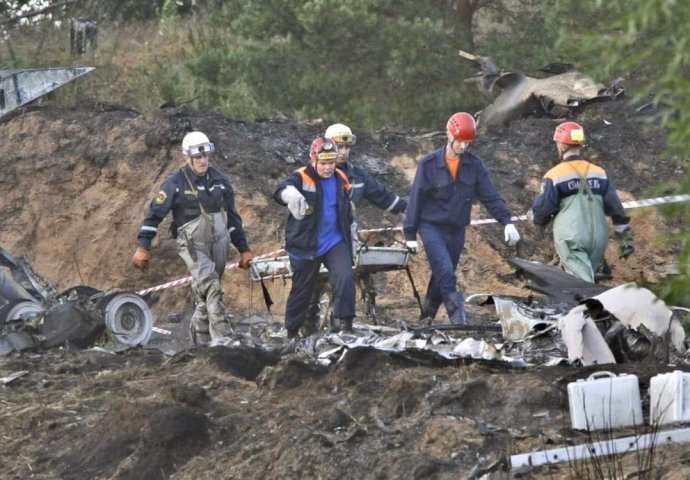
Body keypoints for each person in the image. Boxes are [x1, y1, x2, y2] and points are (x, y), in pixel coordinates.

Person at [132, 131, 253, 343]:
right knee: (212, 285)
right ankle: (224, 341)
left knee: (206, 293)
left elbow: (233, 219)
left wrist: (243, 249)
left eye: (205, 155)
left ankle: (200, 344)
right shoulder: (175, 183)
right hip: (191, 244)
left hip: (220, 243)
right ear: (187, 157)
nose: (203, 160)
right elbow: (154, 216)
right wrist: (143, 247)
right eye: (198, 157)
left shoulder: (221, 181)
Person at [403, 112, 521, 325]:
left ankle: (426, 318)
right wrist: (410, 233)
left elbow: (490, 196)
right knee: (446, 272)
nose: (463, 147)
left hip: (456, 229)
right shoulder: (429, 164)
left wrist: (507, 222)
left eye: (467, 143)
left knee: (442, 274)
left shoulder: (475, 165)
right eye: (459, 141)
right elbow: (416, 199)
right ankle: (459, 322)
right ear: (449, 134)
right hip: (431, 227)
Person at [302, 123, 408, 329]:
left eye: (346, 148)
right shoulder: (309, 175)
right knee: (312, 279)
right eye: (339, 147)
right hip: (313, 235)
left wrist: (411, 211)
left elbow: (384, 197)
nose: (343, 152)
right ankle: (307, 324)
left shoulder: (358, 177)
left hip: (343, 235)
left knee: (344, 277)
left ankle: (344, 324)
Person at [531, 121, 634, 283]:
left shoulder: (554, 175)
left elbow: (543, 210)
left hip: (572, 239)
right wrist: (625, 237)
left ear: (561, 145)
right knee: (574, 280)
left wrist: (535, 219)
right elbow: (616, 210)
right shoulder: (599, 173)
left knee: (582, 286)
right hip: (599, 241)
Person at [274, 137, 356, 338]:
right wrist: (290, 195)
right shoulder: (302, 177)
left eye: (331, 163)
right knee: (302, 289)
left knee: (345, 278)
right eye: (324, 163)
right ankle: (292, 331)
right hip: (305, 244)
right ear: (314, 160)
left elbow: (347, 212)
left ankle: (344, 324)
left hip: (334, 241)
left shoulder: (341, 179)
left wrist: (352, 236)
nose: (328, 168)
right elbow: (280, 190)